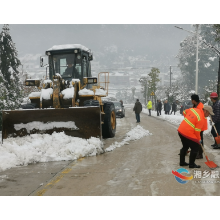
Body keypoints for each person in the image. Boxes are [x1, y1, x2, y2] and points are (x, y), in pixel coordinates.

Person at [189, 94, 208, 158]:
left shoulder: (200, 107)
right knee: (197, 139)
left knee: (200, 139)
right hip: (197, 125)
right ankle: (197, 152)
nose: (191, 101)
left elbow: (200, 117)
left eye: (191, 100)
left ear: (194, 100)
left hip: (200, 125)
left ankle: (200, 154)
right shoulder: (196, 105)